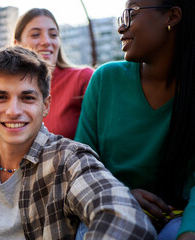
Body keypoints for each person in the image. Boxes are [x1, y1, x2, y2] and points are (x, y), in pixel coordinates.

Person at [0, 45, 156, 239]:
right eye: (1, 98)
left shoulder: (69, 160)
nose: (13, 111)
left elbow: (126, 220)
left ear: (45, 105)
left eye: (27, 98)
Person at [75, 0, 195, 239]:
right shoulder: (105, 80)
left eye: (131, 13)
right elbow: (80, 166)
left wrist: (188, 232)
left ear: (172, 17)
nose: (121, 27)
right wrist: (121, 194)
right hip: (109, 208)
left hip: (178, 218)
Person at [14, 8, 93, 139]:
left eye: (53, 35)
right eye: (35, 35)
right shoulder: (8, 89)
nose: (46, 41)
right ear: (17, 44)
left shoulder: (83, 78)